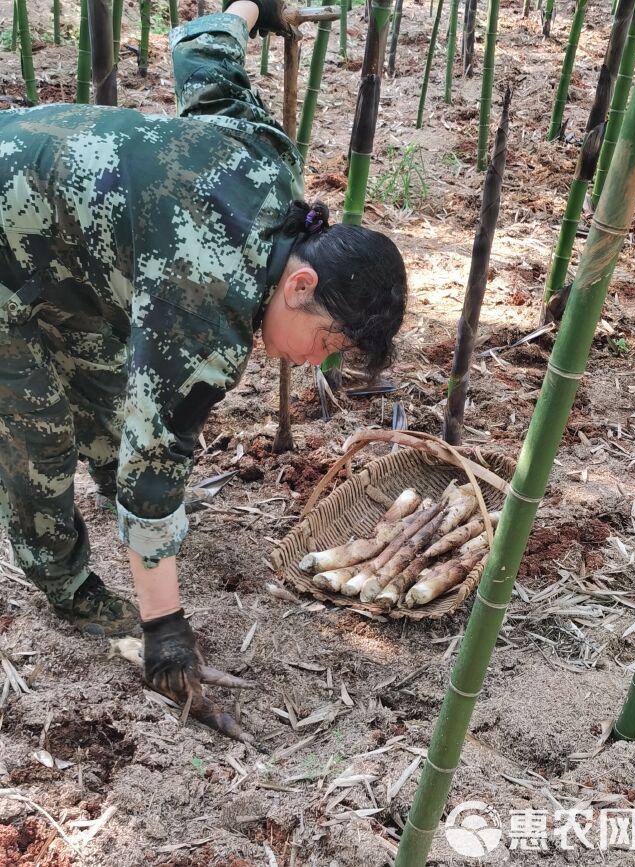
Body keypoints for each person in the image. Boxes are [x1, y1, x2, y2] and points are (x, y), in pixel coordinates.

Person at [0, 1, 407, 716]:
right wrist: (165, 633)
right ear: (301, 284)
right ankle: (69, 590)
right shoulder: (204, 314)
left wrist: (256, 8)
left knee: (101, 389)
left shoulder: (271, 166)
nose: (317, 360)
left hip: (52, 209)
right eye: (329, 342)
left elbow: (202, 48)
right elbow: (156, 466)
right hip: (9, 243)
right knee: (39, 432)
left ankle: (113, 523)